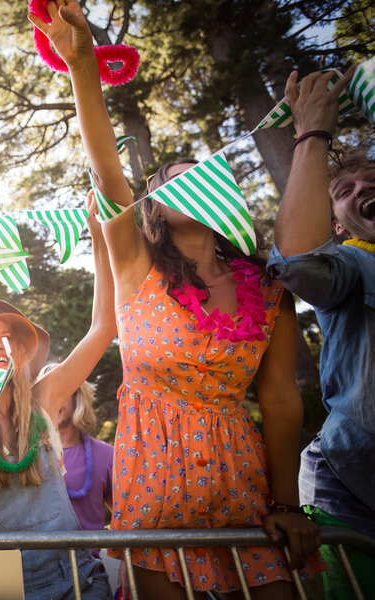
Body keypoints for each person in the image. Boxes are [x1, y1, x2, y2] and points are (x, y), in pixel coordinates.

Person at [30, 3, 322, 598]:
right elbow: (110, 176)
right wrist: (83, 63)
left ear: (223, 194)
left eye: (200, 172)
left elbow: (281, 397)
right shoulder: (137, 268)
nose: (185, 180)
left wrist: (287, 503)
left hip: (245, 493)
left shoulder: (267, 289)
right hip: (153, 491)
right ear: (152, 209)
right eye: (169, 179)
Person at [0, 201, 114, 600]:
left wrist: (100, 236)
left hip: (78, 581)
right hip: (8, 587)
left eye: (6, 340)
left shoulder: (45, 399)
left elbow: (103, 328)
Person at [267, 67, 374, 599]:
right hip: (352, 491)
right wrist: (312, 134)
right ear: (338, 224)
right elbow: (298, 264)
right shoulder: (354, 263)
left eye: (373, 183)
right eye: (346, 190)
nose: (363, 190)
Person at [49, 376, 113, 538]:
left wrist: (124, 560)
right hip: (38, 562)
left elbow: (126, 517)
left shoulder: (106, 455)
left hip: (88, 562)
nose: (51, 401)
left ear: (77, 398)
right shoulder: (26, 456)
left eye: (59, 393)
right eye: (44, 395)